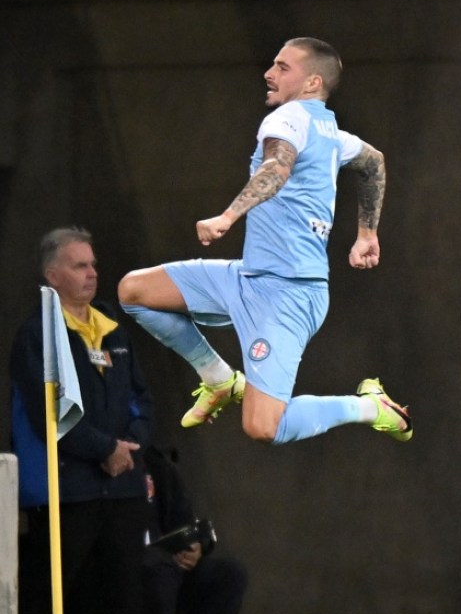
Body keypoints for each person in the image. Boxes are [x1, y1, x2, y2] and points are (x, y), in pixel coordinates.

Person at [116, 37, 411, 446]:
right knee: (133, 291)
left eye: (282, 67)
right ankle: (218, 378)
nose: (269, 73)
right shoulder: (329, 131)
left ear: (310, 83)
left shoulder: (289, 119)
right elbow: (373, 161)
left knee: (263, 427)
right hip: (247, 277)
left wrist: (228, 216)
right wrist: (367, 233)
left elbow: (277, 167)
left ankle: (370, 407)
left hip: (288, 293)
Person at [9, 227, 157, 614]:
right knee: (49, 590)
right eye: (80, 265)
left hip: (123, 486)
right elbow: (49, 410)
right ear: (53, 275)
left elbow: (141, 397)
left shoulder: (112, 327)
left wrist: (131, 446)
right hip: (70, 487)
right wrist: (103, 449)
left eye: (93, 264)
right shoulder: (38, 335)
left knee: (125, 589)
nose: (92, 273)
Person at [139, 445, 248, 614]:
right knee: (158, 568)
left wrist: (195, 546)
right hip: (131, 573)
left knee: (228, 574)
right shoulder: (101, 466)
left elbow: (185, 522)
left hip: (172, 568)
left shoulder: (155, 462)